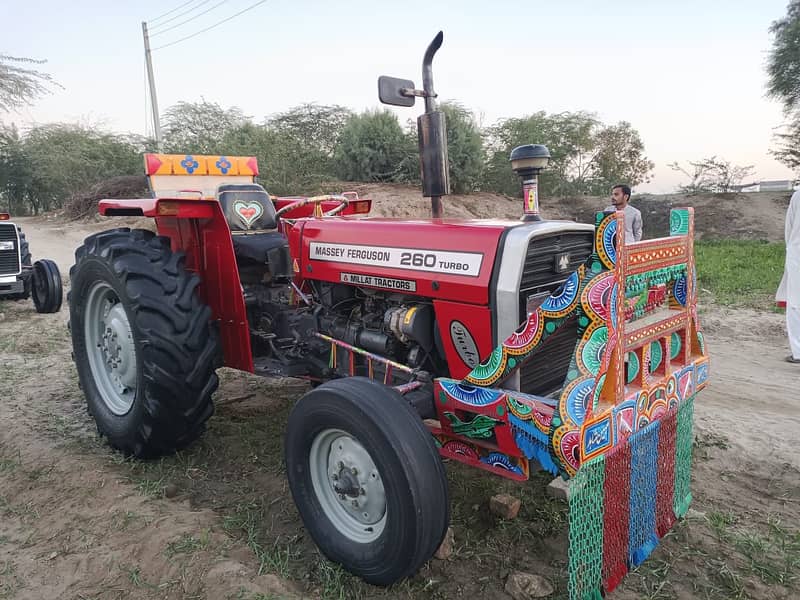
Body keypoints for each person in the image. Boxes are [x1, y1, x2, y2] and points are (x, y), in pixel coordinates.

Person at [776, 188, 800, 363]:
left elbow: (789, 227)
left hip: (797, 253)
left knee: (796, 302)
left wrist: (791, 248)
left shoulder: (798, 195)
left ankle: (798, 352)